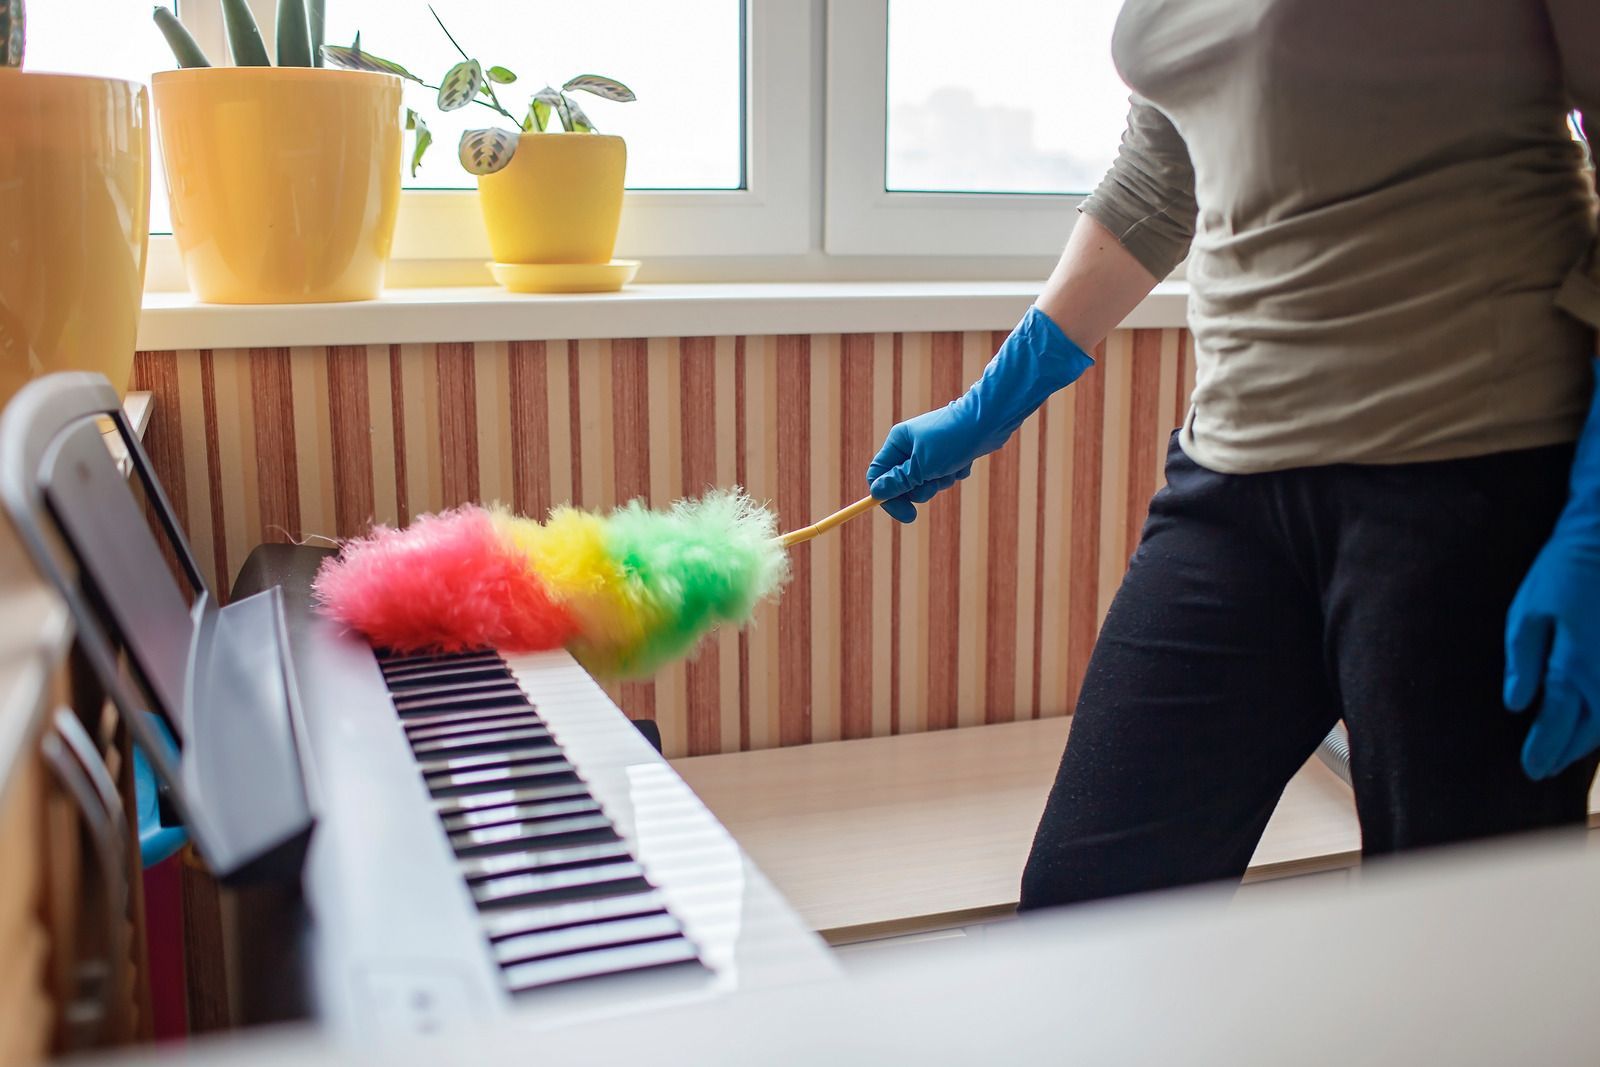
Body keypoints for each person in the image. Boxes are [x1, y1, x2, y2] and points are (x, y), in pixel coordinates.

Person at [867, 0, 1600, 909]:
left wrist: (1595, 523)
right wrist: (989, 406)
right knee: (1088, 909)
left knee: (1460, 944)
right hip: (1233, 485)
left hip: (1471, 471)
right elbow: (1160, 174)